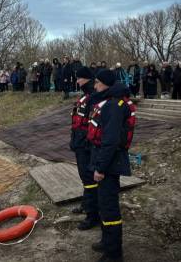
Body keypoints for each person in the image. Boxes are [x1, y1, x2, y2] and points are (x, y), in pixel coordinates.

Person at [87, 69, 131, 262]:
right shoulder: (108, 102)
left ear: (105, 84)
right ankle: (107, 241)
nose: (94, 86)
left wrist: (100, 168)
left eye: (97, 82)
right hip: (104, 160)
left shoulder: (113, 106)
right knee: (104, 205)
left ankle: (114, 254)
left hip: (110, 164)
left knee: (109, 207)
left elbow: (111, 141)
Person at [70, 66, 99, 230]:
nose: (77, 81)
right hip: (80, 143)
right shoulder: (86, 95)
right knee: (85, 178)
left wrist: (82, 142)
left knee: (89, 179)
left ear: (86, 78)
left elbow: (92, 125)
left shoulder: (93, 97)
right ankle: (86, 204)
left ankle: (92, 215)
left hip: (87, 145)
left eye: (79, 78)